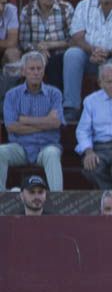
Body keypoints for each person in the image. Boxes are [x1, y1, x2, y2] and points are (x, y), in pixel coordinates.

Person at [0, 52, 64, 191]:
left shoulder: (55, 94)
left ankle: (57, 200)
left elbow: (56, 123)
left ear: (43, 70)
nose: (36, 72)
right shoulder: (12, 95)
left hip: (47, 146)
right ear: (23, 71)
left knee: (52, 154)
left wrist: (25, 120)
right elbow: (11, 127)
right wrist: (45, 123)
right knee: (0, 152)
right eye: (32, 69)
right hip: (20, 147)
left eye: (39, 68)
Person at [17, 0, 74, 92]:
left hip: (61, 53)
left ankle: (57, 100)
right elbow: (24, 42)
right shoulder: (27, 12)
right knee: (34, 62)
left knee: (54, 63)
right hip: (35, 52)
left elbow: (74, 40)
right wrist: (38, 49)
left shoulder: (65, 8)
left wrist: (51, 45)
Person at [0, 0, 18, 70]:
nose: (1, 8)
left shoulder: (10, 10)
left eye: (3, 3)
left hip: (4, 53)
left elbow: (12, 43)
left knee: (13, 53)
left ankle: (11, 83)